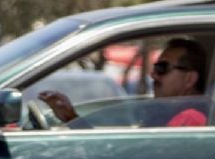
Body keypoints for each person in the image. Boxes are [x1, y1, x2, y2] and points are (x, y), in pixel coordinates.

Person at [39, 38, 208, 127]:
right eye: (155, 67)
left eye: (162, 68)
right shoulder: (166, 113)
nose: (153, 75)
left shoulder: (191, 119)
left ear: (189, 79)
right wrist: (71, 118)